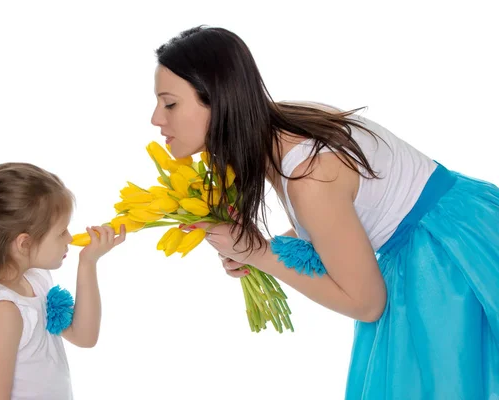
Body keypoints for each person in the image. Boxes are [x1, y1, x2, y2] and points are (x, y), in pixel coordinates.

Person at [151, 25, 499, 399]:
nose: (157, 119)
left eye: (170, 103)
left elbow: (367, 304)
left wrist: (258, 253)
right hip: (466, 220)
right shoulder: (287, 124)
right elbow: (340, 219)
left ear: (218, 100)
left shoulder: (308, 173)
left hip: (446, 261)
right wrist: (262, 248)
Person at [0, 162, 126, 399]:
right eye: (61, 232)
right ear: (24, 243)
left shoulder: (36, 280)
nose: (69, 238)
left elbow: (84, 337)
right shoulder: (1, 310)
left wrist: (88, 263)